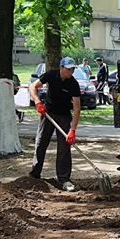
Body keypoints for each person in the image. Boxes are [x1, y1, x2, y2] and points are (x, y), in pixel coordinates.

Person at [29, 56, 82, 192]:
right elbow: (33, 86)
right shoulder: (51, 75)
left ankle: (64, 179)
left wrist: (72, 130)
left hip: (64, 116)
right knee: (41, 142)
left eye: (73, 69)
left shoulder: (73, 84)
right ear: (61, 68)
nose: (71, 72)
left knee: (64, 146)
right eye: (68, 69)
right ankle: (34, 175)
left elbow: (76, 108)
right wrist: (37, 102)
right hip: (48, 113)